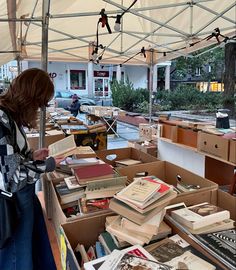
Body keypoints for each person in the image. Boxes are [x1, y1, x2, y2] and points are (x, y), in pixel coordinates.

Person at [0, 68, 61, 270]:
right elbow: (13, 177)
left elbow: (10, 160)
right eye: (40, 103)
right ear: (29, 98)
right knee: (18, 257)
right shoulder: (2, 119)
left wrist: (32, 156)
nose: (39, 109)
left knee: (27, 252)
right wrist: (48, 164)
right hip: (12, 202)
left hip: (20, 198)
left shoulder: (9, 116)